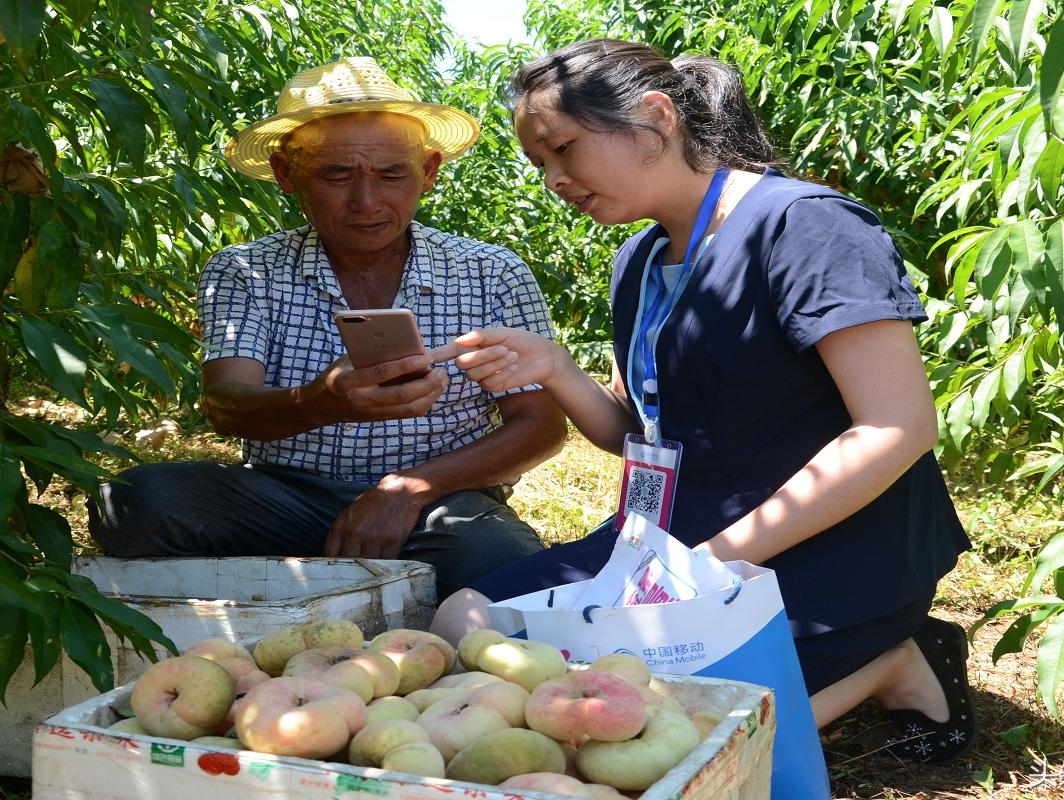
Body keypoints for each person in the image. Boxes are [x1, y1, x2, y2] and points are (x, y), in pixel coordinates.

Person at [429, 39, 977, 764]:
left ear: (655, 116)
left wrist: (707, 568)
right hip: (676, 542)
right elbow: (643, 433)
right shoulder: (640, 259)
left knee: (670, 735)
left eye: (563, 149)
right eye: (541, 166)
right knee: (458, 622)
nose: (555, 180)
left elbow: (897, 427)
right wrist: (558, 371)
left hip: (830, 545)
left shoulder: (807, 226)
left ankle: (894, 659)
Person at [88, 57, 567, 598]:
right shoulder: (248, 270)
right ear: (286, 173)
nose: (366, 203)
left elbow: (539, 425)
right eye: (336, 175)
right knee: (133, 501)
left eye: (391, 175)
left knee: (506, 567)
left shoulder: (491, 273)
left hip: (442, 503)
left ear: (428, 171)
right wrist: (324, 400)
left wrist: (408, 491)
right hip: (282, 499)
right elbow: (226, 405)